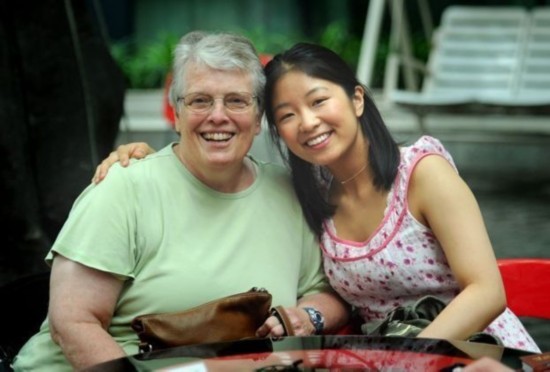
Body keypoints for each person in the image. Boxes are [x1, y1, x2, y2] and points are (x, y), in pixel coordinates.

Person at [100, 42, 540, 353]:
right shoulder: (309, 193)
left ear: (357, 100)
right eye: (286, 115)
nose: (307, 123)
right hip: (376, 357)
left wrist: (409, 359)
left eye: (318, 101)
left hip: (473, 351)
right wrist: (136, 155)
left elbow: (486, 291)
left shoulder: (423, 173)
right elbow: (331, 293)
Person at [12, 32, 349, 371]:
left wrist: (309, 316)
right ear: (176, 113)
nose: (218, 116)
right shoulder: (124, 188)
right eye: (200, 101)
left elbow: (328, 292)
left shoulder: (286, 190)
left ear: (259, 117)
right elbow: (73, 324)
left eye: (236, 101)